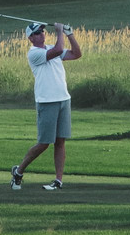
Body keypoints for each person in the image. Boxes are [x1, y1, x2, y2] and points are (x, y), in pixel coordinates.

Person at [10, 21, 82, 191]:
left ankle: (58, 180)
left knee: (60, 141)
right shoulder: (34, 53)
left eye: (42, 31)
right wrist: (59, 32)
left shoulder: (51, 47)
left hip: (63, 99)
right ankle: (18, 172)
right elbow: (58, 50)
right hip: (46, 101)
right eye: (37, 32)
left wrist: (70, 34)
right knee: (44, 143)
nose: (41, 34)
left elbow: (76, 54)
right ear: (30, 38)